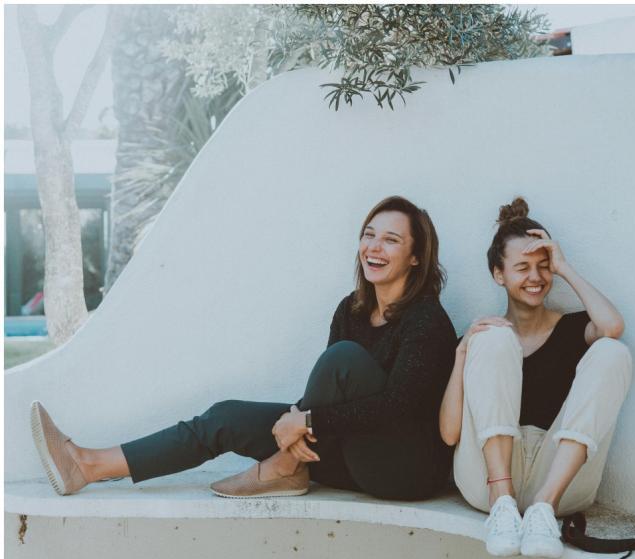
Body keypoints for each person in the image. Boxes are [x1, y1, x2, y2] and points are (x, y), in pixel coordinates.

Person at [32, 195, 457, 502]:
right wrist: (299, 421)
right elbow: (331, 397)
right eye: (369, 235)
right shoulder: (352, 308)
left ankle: (284, 468)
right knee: (225, 417)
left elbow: (399, 406)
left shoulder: (426, 319)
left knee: (341, 359)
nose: (374, 247)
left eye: (391, 240)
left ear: (416, 257)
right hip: (350, 453)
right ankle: (87, 465)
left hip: (404, 471)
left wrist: (305, 418)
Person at [439, 197, 633, 559]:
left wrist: (565, 268)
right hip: (487, 481)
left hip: (559, 480)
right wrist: (462, 353)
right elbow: (449, 433)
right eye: (522, 267)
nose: (535, 277)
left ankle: (542, 507)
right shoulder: (482, 339)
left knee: (613, 350)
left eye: (543, 267)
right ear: (499, 274)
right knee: (493, 337)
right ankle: (503, 502)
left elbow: (613, 326)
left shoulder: (573, 328)